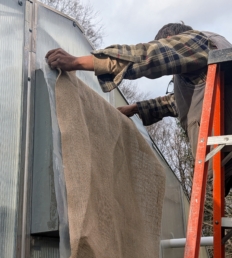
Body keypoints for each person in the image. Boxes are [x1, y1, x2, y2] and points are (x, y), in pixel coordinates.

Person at [45, 22, 232, 194]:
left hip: (223, 151)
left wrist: (77, 62)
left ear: (170, 40)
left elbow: (149, 56)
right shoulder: (211, 61)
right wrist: (135, 108)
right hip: (223, 153)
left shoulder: (197, 41)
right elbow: (183, 102)